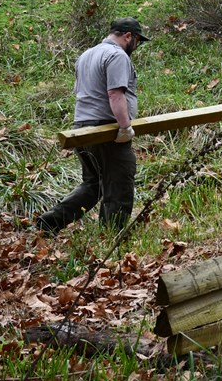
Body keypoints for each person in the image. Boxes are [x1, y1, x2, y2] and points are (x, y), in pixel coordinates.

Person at [35, 17, 150, 234]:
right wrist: (125, 128)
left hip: (82, 128)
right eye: (137, 41)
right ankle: (110, 238)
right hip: (106, 131)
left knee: (93, 185)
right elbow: (115, 94)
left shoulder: (86, 55)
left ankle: (49, 222)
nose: (136, 46)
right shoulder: (117, 55)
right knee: (119, 186)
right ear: (128, 36)